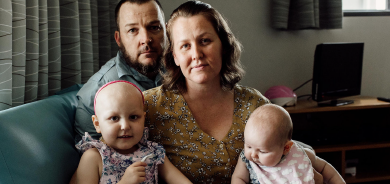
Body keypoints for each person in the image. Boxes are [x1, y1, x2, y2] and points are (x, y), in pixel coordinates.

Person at [74, 0, 166, 142]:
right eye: (132, 30)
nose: (146, 39)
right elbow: (94, 159)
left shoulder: (186, 70)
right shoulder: (94, 95)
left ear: (166, 32)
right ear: (119, 39)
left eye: (154, 27)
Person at [73, 80, 192, 184]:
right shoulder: (93, 158)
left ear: (143, 119)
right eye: (114, 118)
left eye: (134, 117)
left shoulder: (152, 152)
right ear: (97, 124)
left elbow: (178, 180)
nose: (125, 126)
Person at [231, 104, 345, 184]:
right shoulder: (247, 161)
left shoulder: (300, 154)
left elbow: (325, 167)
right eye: (248, 146)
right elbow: (239, 178)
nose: (253, 154)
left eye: (262, 151)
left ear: (286, 148)